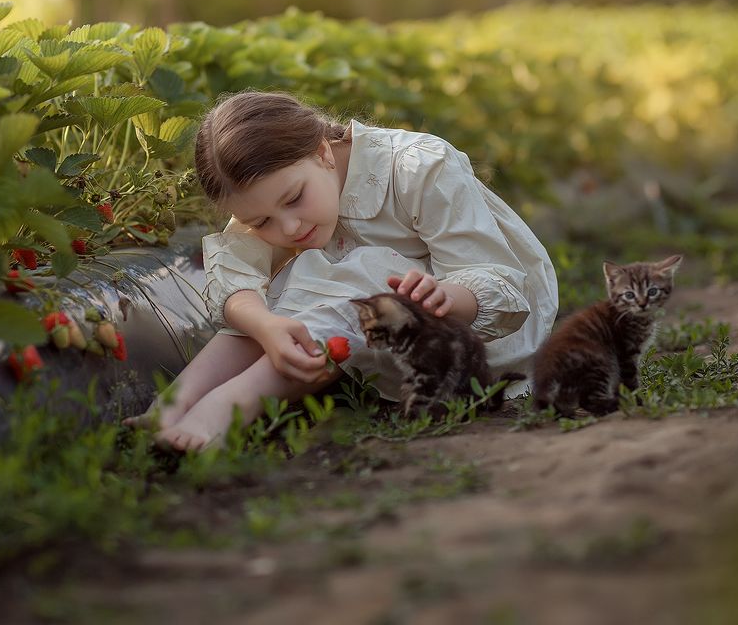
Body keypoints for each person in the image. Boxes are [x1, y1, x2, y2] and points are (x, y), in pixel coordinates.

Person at [124, 90, 558, 451]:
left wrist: (445, 297)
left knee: (353, 272)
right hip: (363, 323)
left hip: (467, 340)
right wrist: (266, 326)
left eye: (294, 199)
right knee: (270, 297)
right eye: (261, 222)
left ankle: (226, 409)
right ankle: (173, 407)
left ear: (322, 153)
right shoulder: (270, 198)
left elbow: (494, 277)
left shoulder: (417, 167)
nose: (289, 227)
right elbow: (235, 278)